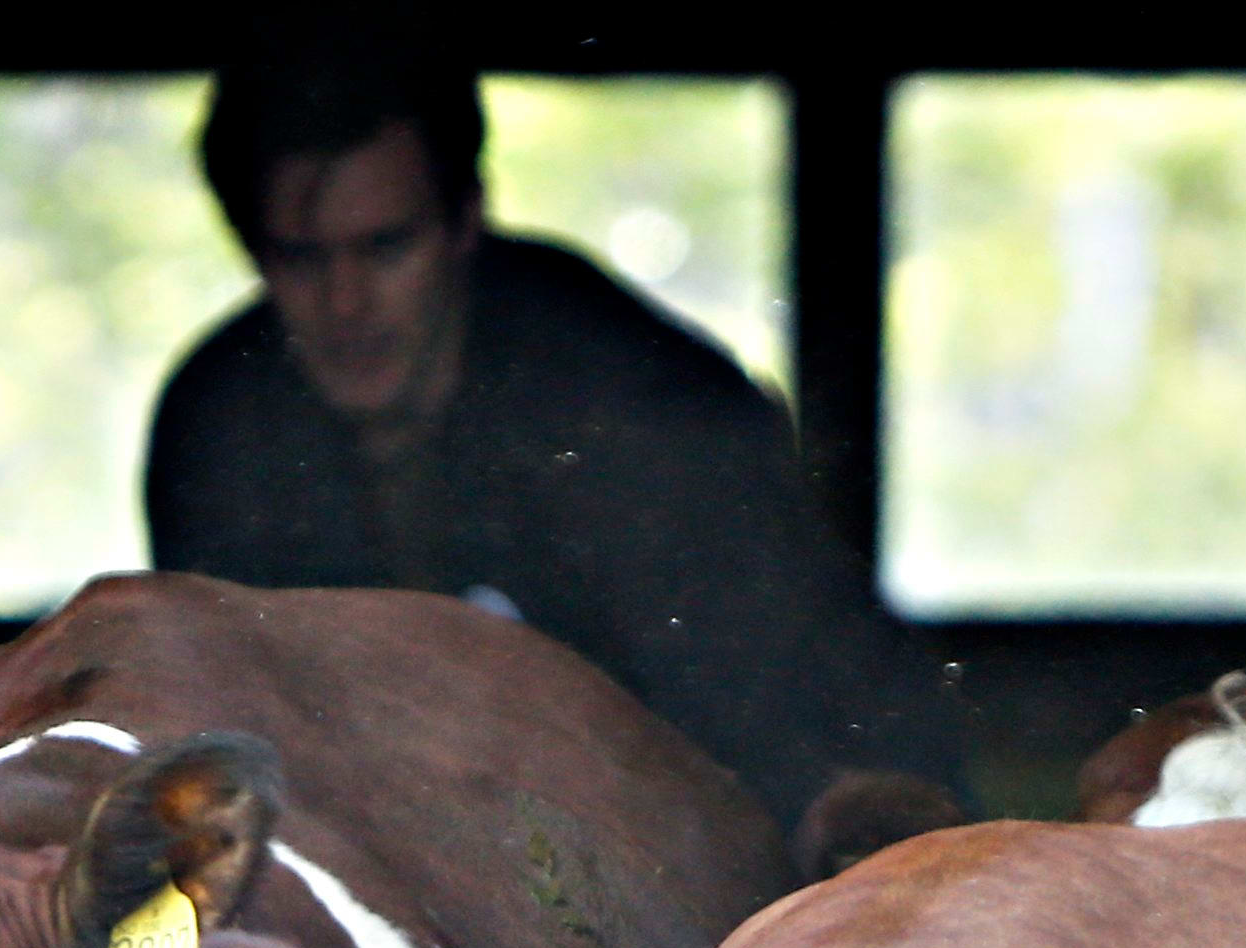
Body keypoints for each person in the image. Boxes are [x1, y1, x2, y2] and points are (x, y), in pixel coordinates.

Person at [144, 43, 971, 853]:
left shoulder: (638, 404)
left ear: (467, 221)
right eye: (301, 258)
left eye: (387, 247)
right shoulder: (216, 432)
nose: (347, 301)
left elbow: (814, 719)